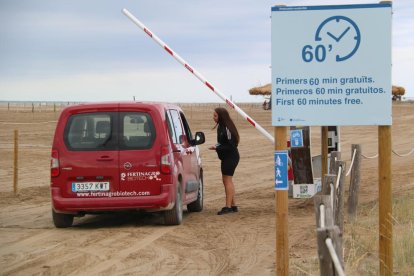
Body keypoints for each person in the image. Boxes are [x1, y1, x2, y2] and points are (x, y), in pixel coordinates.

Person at [209, 107, 240, 215]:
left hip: (231, 157)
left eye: (215, 116)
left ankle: (228, 207)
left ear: (221, 116)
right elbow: (223, 143)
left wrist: (217, 148)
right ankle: (233, 205)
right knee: (226, 180)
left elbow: (231, 145)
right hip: (226, 157)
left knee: (227, 180)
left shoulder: (227, 127)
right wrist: (217, 146)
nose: (213, 118)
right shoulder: (221, 127)